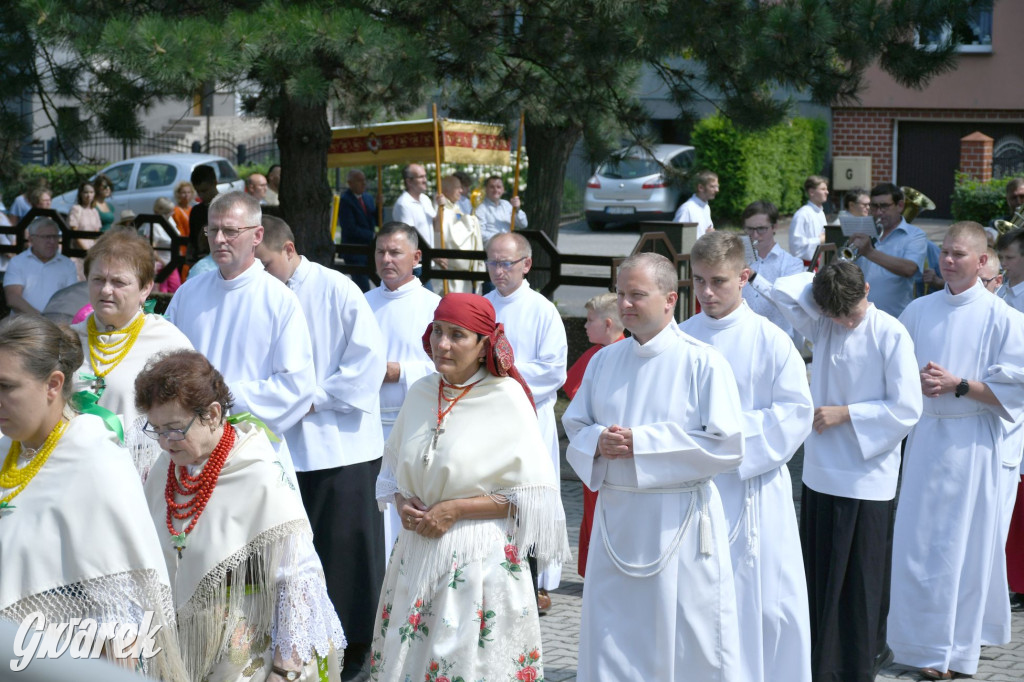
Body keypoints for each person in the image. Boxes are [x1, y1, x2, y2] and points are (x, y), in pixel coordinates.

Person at [371, 292, 571, 682]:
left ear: (483, 346)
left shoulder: (507, 397)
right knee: (410, 660)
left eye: (457, 335)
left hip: (477, 558)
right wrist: (402, 501)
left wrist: (458, 509)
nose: (442, 344)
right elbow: (394, 470)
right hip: (416, 551)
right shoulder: (422, 391)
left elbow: (533, 497)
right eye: (438, 332)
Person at [563, 252, 744, 680]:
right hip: (618, 518)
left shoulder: (703, 361)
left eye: (637, 295)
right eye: (621, 294)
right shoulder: (605, 361)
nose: (625, 304)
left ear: (669, 299)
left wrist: (641, 443)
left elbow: (728, 445)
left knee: (687, 635)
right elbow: (576, 423)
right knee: (613, 632)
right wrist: (598, 440)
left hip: (677, 518)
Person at [750, 259, 921, 680]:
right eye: (835, 315)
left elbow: (907, 408)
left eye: (850, 313)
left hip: (867, 476)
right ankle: (817, 665)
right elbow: (788, 291)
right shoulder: (824, 322)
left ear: (867, 289)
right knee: (818, 575)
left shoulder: (890, 332)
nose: (845, 324)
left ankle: (858, 664)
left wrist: (848, 413)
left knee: (860, 583)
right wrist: (824, 287)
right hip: (822, 472)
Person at [136, 350, 345, 681]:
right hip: (177, 648)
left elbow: (298, 580)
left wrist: (284, 669)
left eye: (175, 429)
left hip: (246, 654)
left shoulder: (259, 474)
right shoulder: (167, 469)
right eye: (156, 429)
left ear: (214, 413)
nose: (164, 442)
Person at [0, 315, 186, 680]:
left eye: (6, 387)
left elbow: (124, 613)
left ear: (53, 385)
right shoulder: (8, 449)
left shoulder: (96, 461)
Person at [888, 222, 1024, 680]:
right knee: (917, 546)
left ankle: (954, 653)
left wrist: (959, 384)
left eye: (959, 254)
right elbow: (894, 370)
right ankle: (915, 643)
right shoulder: (919, 310)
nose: (947, 261)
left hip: (971, 444)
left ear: (983, 261)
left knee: (961, 550)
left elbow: (1016, 390)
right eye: (944, 252)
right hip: (926, 439)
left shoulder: (1003, 318)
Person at [256, 215, 387, 680]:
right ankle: (291, 647)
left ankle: (353, 653)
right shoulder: (260, 295)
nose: (261, 274)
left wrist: (314, 397)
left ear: (289, 249)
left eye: (266, 264)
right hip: (280, 448)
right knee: (290, 558)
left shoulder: (337, 289)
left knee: (344, 555)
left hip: (338, 448)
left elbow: (366, 361)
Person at [681, 232, 814, 682]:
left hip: (754, 489)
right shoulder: (681, 338)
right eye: (698, 281)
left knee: (763, 604)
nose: (707, 293)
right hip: (696, 492)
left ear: (743, 277)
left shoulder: (772, 340)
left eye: (718, 281)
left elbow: (796, 414)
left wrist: (726, 438)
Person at [166, 191, 316, 483]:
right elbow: (167, 364)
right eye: (213, 230)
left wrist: (217, 400)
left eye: (231, 231)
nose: (219, 239)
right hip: (189, 449)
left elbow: (295, 387)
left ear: (257, 235)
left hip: (251, 451)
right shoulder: (188, 293)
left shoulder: (279, 300)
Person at [484, 232, 567, 606]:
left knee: (532, 498)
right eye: (493, 262)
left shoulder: (542, 310)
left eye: (506, 263)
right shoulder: (481, 306)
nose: (498, 271)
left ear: (526, 265)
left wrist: (503, 371)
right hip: (488, 419)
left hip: (531, 417)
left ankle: (540, 582)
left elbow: (554, 371)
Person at [70, 230, 192, 479]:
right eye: (97, 279)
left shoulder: (168, 344)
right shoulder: (67, 341)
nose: (105, 290)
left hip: (140, 483)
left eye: (118, 282)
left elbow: (191, 420)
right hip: (74, 476)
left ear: (145, 288)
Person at [365, 222, 442, 553]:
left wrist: (399, 371)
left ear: (417, 257)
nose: (386, 259)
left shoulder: (434, 306)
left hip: (416, 424)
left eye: (395, 252)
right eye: (381, 252)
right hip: (367, 423)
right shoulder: (360, 303)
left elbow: (451, 366)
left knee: (409, 506)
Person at [563, 292, 624, 579]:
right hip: (597, 445)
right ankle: (592, 571)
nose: (585, 327)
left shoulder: (614, 354)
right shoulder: (596, 355)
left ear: (609, 323)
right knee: (592, 511)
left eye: (590, 321)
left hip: (616, 446)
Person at [848, 183, 928, 318]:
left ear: (900, 206)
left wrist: (869, 252)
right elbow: (839, 267)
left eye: (884, 206)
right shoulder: (864, 231)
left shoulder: (915, 235)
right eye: (874, 206)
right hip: (860, 317)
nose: (879, 212)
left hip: (896, 317)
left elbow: (910, 269)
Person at [740, 200, 805, 344]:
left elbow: (786, 301)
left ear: (774, 227)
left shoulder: (792, 264)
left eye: (761, 229)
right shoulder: (738, 261)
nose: (755, 235)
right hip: (743, 339)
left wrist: (753, 277)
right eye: (749, 229)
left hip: (778, 341)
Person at [4, 218, 78, 316]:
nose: (51, 241)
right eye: (46, 237)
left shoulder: (68, 264)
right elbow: (13, 298)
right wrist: (41, 320)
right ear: (31, 239)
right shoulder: (17, 262)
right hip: (22, 324)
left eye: (55, 237)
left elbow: (71, 298)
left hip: (56, 324)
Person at [436, 175, 484, 294]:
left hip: (463, 273)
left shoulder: (454, 207)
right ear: (446, 189)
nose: (461, 191)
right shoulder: (441, 209)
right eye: (458, 188)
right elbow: (448, 237)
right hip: (449, 268)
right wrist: (470, 222)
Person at [338, 169, 377, 292]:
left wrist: (379, 207)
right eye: (360, 181)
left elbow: (375, 220)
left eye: (364, 180)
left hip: (369, 250)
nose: (364, 183)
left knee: (376, 282)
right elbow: (350, 228)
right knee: (362, 286)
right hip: (354, 251)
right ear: (350, 183)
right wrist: (372, 235)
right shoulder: (345, 200)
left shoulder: (368, 198)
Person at [392, 164, 437, 249]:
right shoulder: (403, 204)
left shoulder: (425, 199)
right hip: (416, 260)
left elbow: (436, 225)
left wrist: (440, 207)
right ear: (409, 181)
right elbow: (409, 237)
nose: (425, 180)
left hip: (429, 257)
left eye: (425, 176)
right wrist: (431, 255)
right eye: (421, 177)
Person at [788, 175, 829, 264]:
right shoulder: (802, 215)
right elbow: (796, 248)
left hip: (820, 265)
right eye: (823, 189)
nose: (827, 192)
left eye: (826, 189)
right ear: (811, 192)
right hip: (804, 268)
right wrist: (819, 240)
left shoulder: (821, 213)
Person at [475, 175, 527, 245]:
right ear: (486, 189)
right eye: (492, 187)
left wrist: (517, 209)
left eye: (498, 187)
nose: (495, 190)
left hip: (509, 245)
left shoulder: (507, 205)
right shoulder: (480, 209)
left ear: (503, 190)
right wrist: (501, 238)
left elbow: (523, 224)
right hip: (491, 248)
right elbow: (479, 233)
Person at [187, 164, 219, 264]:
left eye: (205, 190)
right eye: (198, 191)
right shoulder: (196, 211)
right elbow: (192, 241)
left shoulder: (228, 207)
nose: (201, 195)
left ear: (215, 183)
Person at [672, 169, 718, 236]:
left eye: (717, 186)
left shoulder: (706, 207)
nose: (717, 190)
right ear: (700, 187)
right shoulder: (687, 209)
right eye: (712, 186)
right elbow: (676, 236)